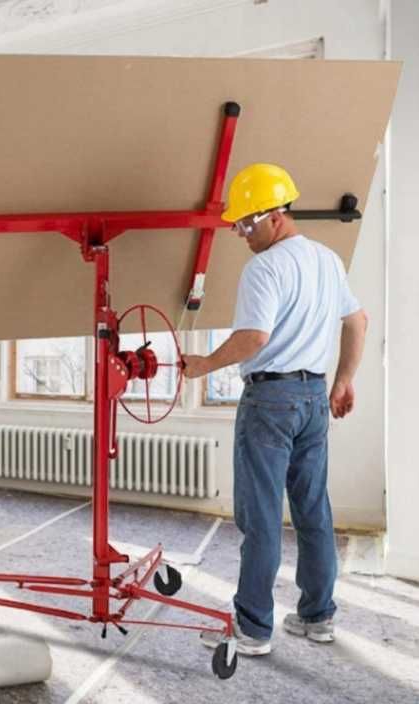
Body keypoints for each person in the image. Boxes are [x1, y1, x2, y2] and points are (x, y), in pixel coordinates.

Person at [184, 163, 367, 656]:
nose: (242, 234)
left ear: (275, 216)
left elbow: (254, 338)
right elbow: (358, 321)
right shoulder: (327, 259)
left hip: (270, 401)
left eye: (247, 223)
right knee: (313, 509)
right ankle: (317, 616)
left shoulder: (265, 268)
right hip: (313, 398)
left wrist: (204, 365)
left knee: (261, 516)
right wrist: (344, 380)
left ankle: (253, 628)